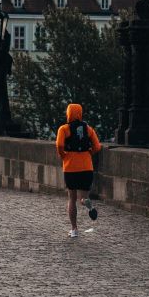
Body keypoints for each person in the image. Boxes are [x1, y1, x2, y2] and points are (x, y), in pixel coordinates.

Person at [55, 102, 103, 238]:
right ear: (80, 114)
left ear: (68, 114)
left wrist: (63, 155)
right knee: (83, 197)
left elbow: (59, 144)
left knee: (71, 198)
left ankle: (74, 229)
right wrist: (89, 153)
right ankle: (87, 203)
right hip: (86, 167)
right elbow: (97, 146)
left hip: (70, 168)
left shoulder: (64, 129)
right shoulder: (88, 129)